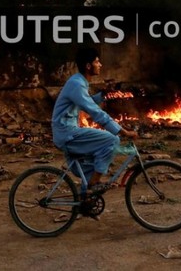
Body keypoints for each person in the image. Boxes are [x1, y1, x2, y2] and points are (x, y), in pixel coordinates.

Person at [51, 47, 137, 194]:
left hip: (67, 131)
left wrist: (103, 94)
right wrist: (122, 131)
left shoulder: (78, 82)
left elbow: (87, 102)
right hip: (67, 133)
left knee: (92, 164)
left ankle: (87, 200)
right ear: (88, 66)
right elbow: (95, 112)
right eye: (97, 61)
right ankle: (94, 183)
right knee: (112, 140)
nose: (100, 65)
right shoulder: (77, 84)